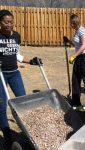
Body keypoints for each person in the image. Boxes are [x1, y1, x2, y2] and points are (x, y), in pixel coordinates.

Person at [0, 9, 42, 150]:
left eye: (11, 22)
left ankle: (27, 133)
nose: (9, 24)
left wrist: (32, 61)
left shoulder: (16, 36)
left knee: (23, 103)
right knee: (1, 107)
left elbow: (17, 55)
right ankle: (7, 138)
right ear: (0, 22)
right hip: (1, 75)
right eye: (6, 22)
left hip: (14, 74)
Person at [63, 14, 85, 110]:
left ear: (75, 22)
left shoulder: (82, 30)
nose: (70, 25)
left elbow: (84, 45)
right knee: (75, 80)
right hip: (78, 57)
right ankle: (76, 103)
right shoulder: (76, 31)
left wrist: (74, 55)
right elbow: (77, 44)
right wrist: (68, 41)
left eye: (71, 23)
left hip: (84, 57)